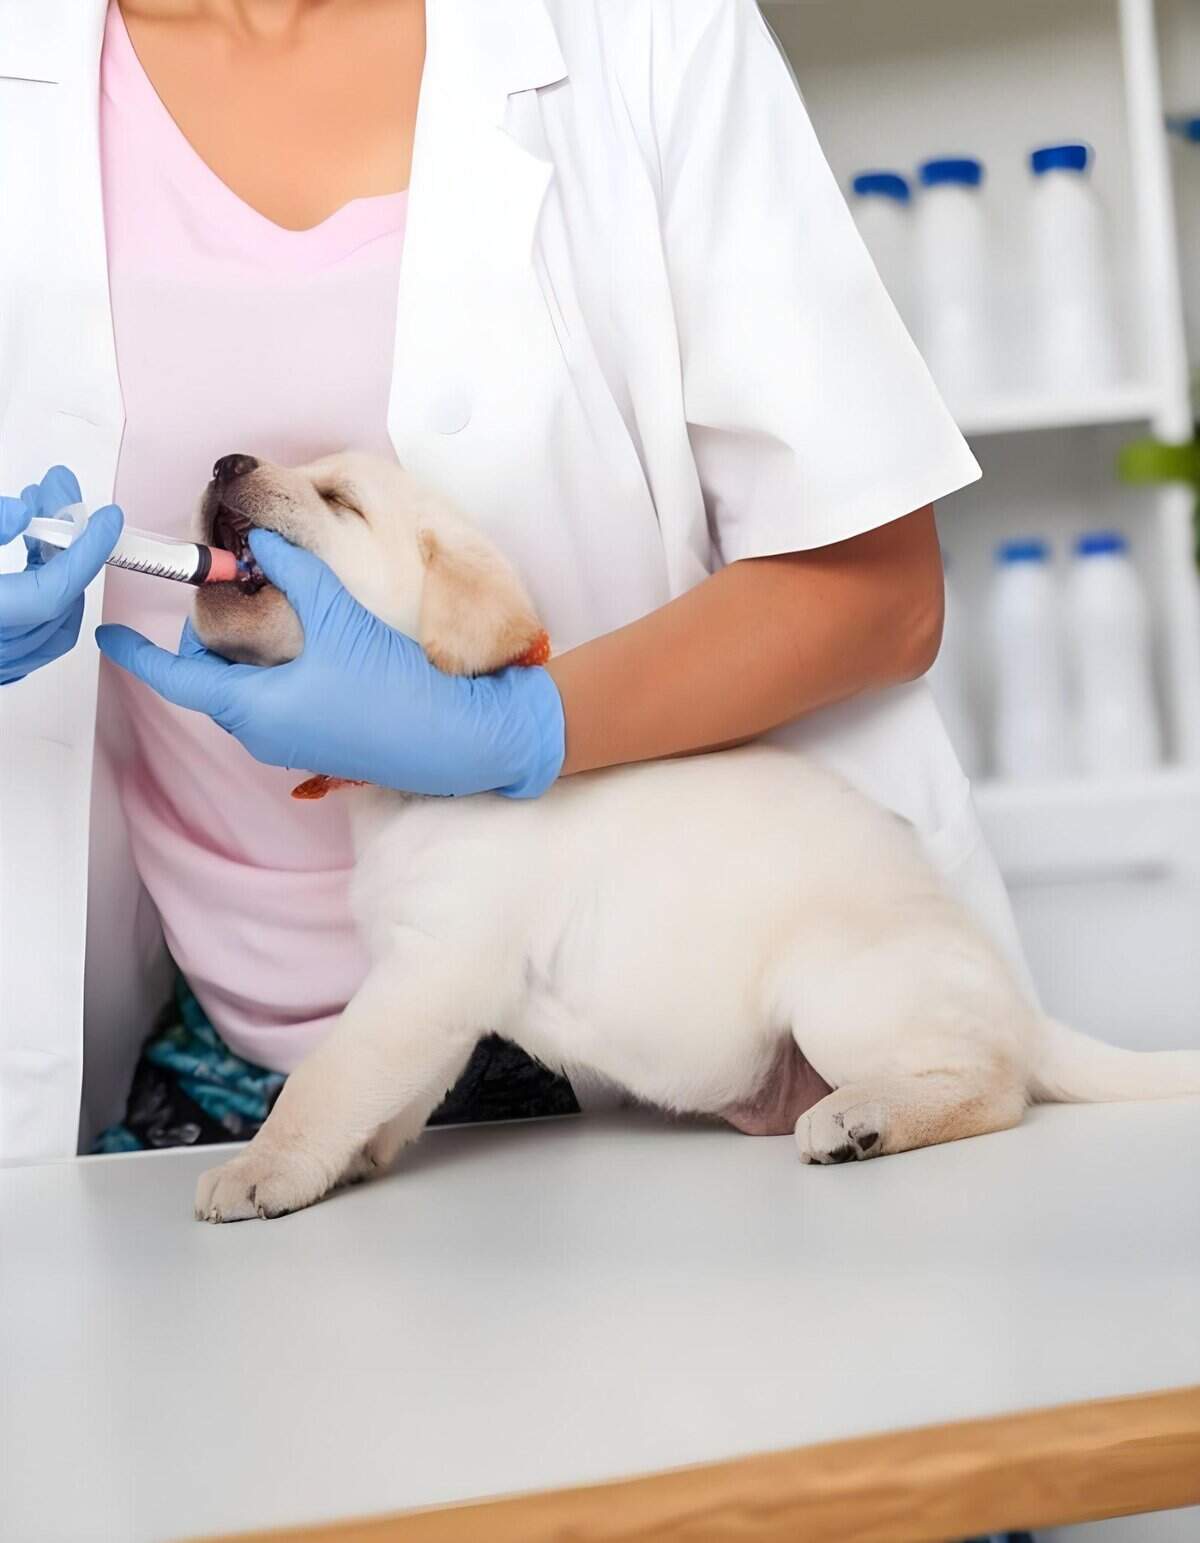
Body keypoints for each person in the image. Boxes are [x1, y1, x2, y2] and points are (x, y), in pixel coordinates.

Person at [0, 0, 1032, 1163]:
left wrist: (509, 725)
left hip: (664, 1054)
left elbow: (880, 592)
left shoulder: (645, 31)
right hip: (212, 1051)